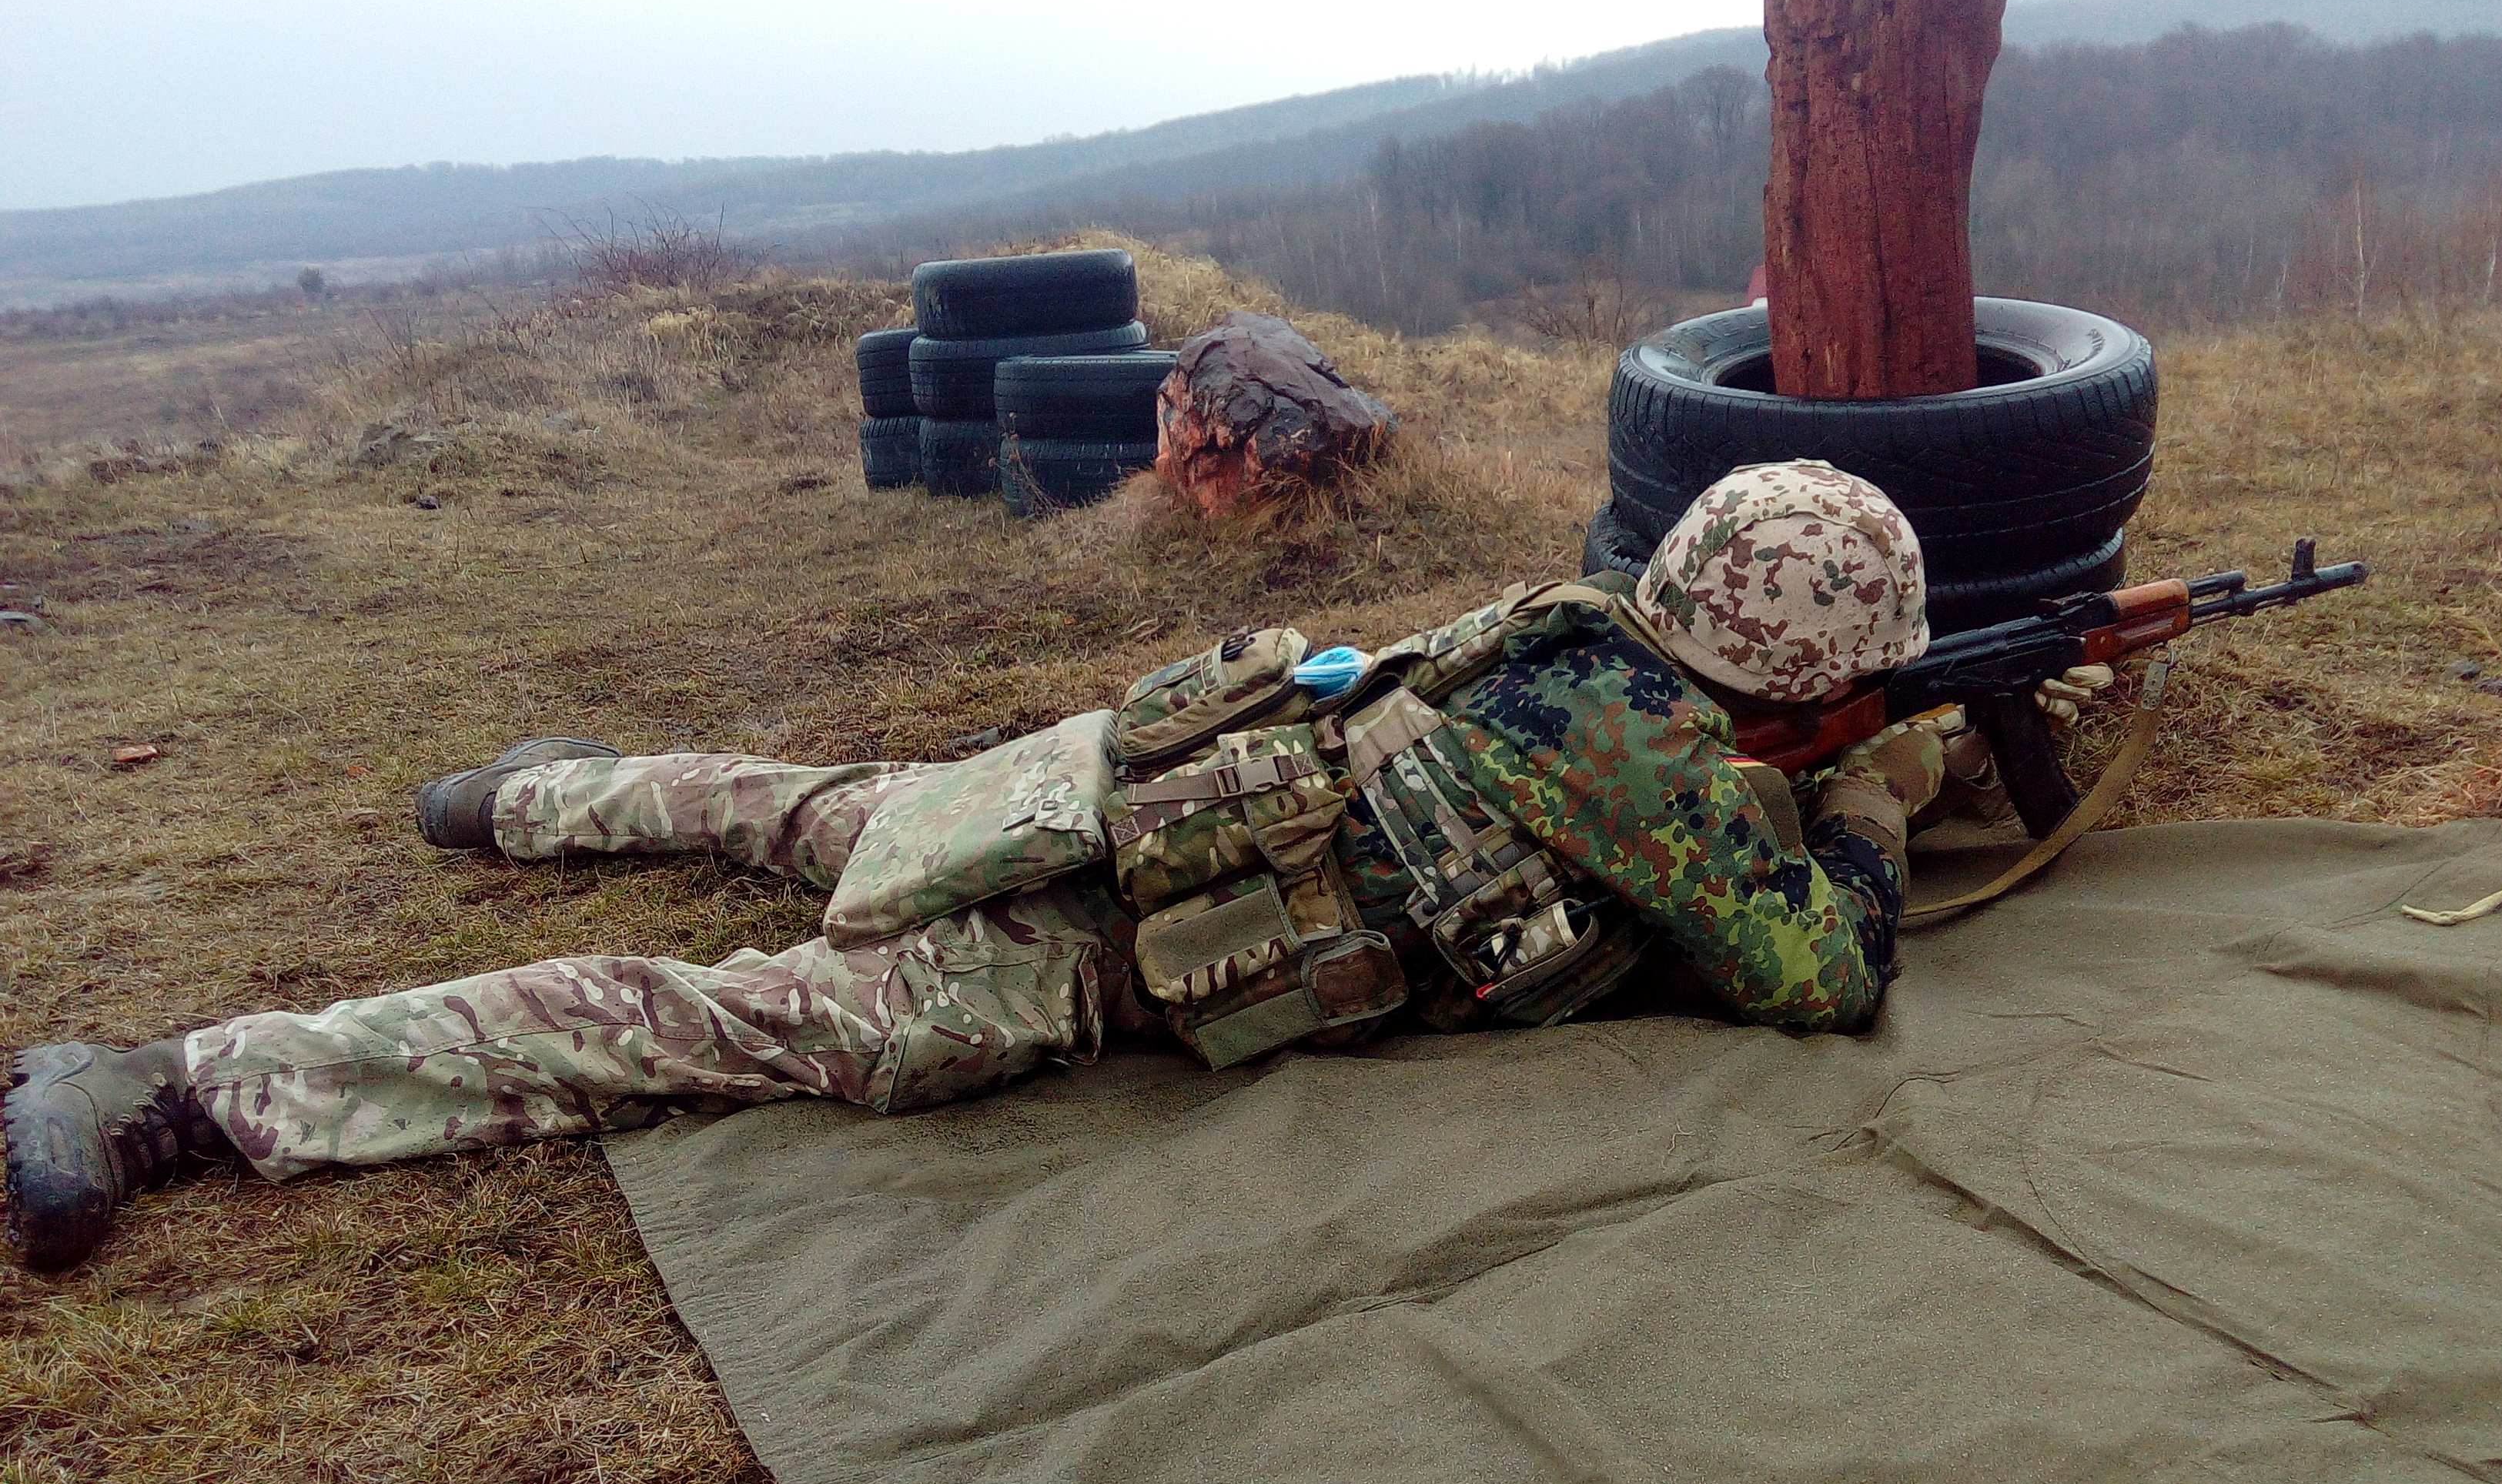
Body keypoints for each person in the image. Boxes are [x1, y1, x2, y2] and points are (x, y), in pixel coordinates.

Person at [8, 462, 1999, 1272]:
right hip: (1116, 943)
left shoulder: (1566, 631)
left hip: (1081, 795)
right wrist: (1875, 809)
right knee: (712, 1023)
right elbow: (1817, 975)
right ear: (1813, 668)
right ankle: (181, 1086)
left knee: (826, 810)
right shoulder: (1651, 758)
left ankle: (535, 798)